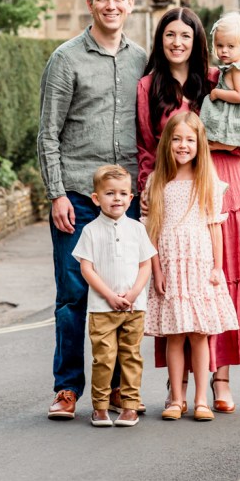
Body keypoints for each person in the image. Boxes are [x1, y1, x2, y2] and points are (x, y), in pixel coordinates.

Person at [136, 6, 240, 414]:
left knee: (221, 281)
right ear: (160, 40)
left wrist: (215, 147)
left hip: (226, 184)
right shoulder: (147, 87)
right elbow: (144, 146)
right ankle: (181, 389)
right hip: (173, 192)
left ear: (197, 43)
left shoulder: (216, 78)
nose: (177, 43)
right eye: (170, 35)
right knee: (179, 284)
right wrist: (146, 189)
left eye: (185, 36)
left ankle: (221, 379)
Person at [38, 0, 147, 420]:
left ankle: (121, 391)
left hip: (129, 201)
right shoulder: (66, 59)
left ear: (130, 3)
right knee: (72, 298)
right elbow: (47, 133)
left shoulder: (142, 59)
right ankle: (67, 391)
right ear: (90, 3)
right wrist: (57, 193)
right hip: (79, 198)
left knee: (123, 297)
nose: (111, 6)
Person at [144, 113, 238, 422]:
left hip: (199, 265)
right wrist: (156, 271)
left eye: (189, 140)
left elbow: (214, 226)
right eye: (177, 139)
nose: (183, 146)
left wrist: (217, 267)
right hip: (170, 266)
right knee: (175, 334)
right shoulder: (158, 181)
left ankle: (201, 399)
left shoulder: (206, 181)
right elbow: (152, 232)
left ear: (199, 145)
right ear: (167, 143)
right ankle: (177, 399)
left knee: (199, 334)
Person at [72, 165, 157, 428]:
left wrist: (132, 294)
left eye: (122, 193)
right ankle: (100, 407)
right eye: (110, 193)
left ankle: (130, 406)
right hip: (101, 308)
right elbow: (87, 268)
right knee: (104, 358)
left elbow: (146, 264)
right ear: (97, 198)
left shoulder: (137, 229)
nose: (117, 198)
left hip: (134, 307)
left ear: (131, 197)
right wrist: (109, 295)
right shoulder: (90, 231)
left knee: (131, 356)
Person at [199, 11, 240, 147]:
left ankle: (221, 145)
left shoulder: (237, 69)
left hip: (237, 113)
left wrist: (217, 93)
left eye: (230, 46)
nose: (224, 50)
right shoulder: (233, 67)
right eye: (219, 45)